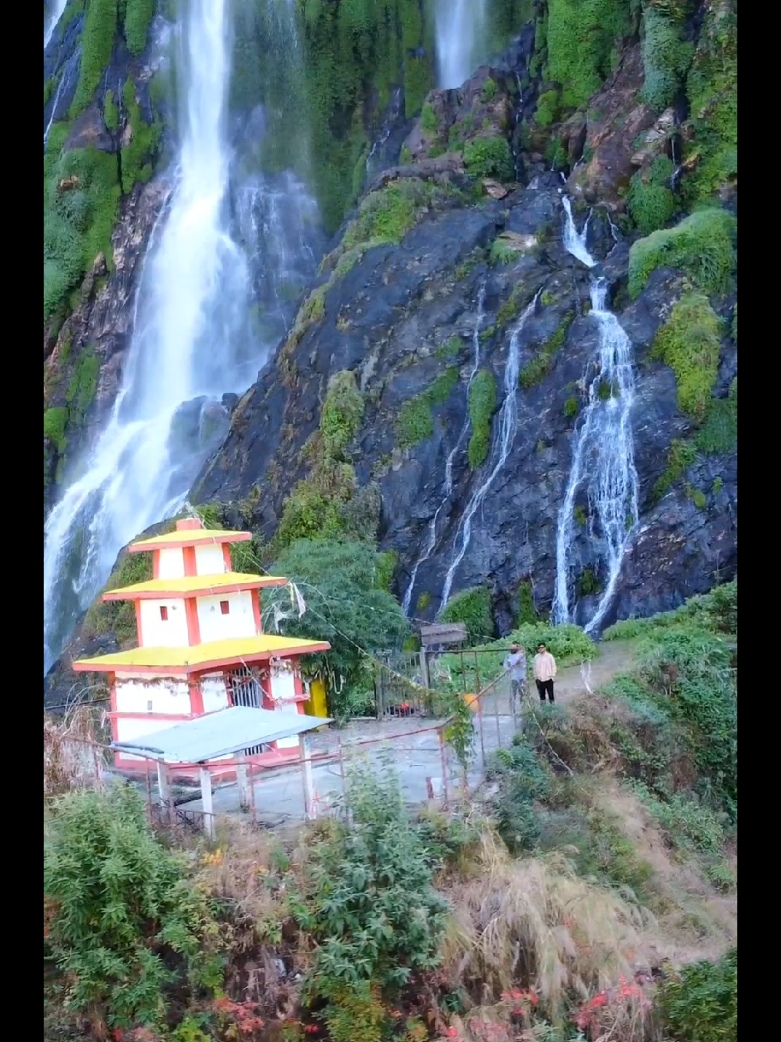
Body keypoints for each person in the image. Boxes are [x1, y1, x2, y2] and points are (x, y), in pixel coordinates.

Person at [503, 643, 527, 710]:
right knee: (512, 694)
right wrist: (508, 668)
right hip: (513, 678)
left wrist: (520, 664)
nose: (512, 649)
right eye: (511, 647)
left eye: (514, 647)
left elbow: (525, 666)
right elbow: (505, 665)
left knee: (522, 693)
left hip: (521, 677)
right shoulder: (508, 656)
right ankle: (512, 709)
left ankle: (523, 708)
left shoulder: (521, 656)